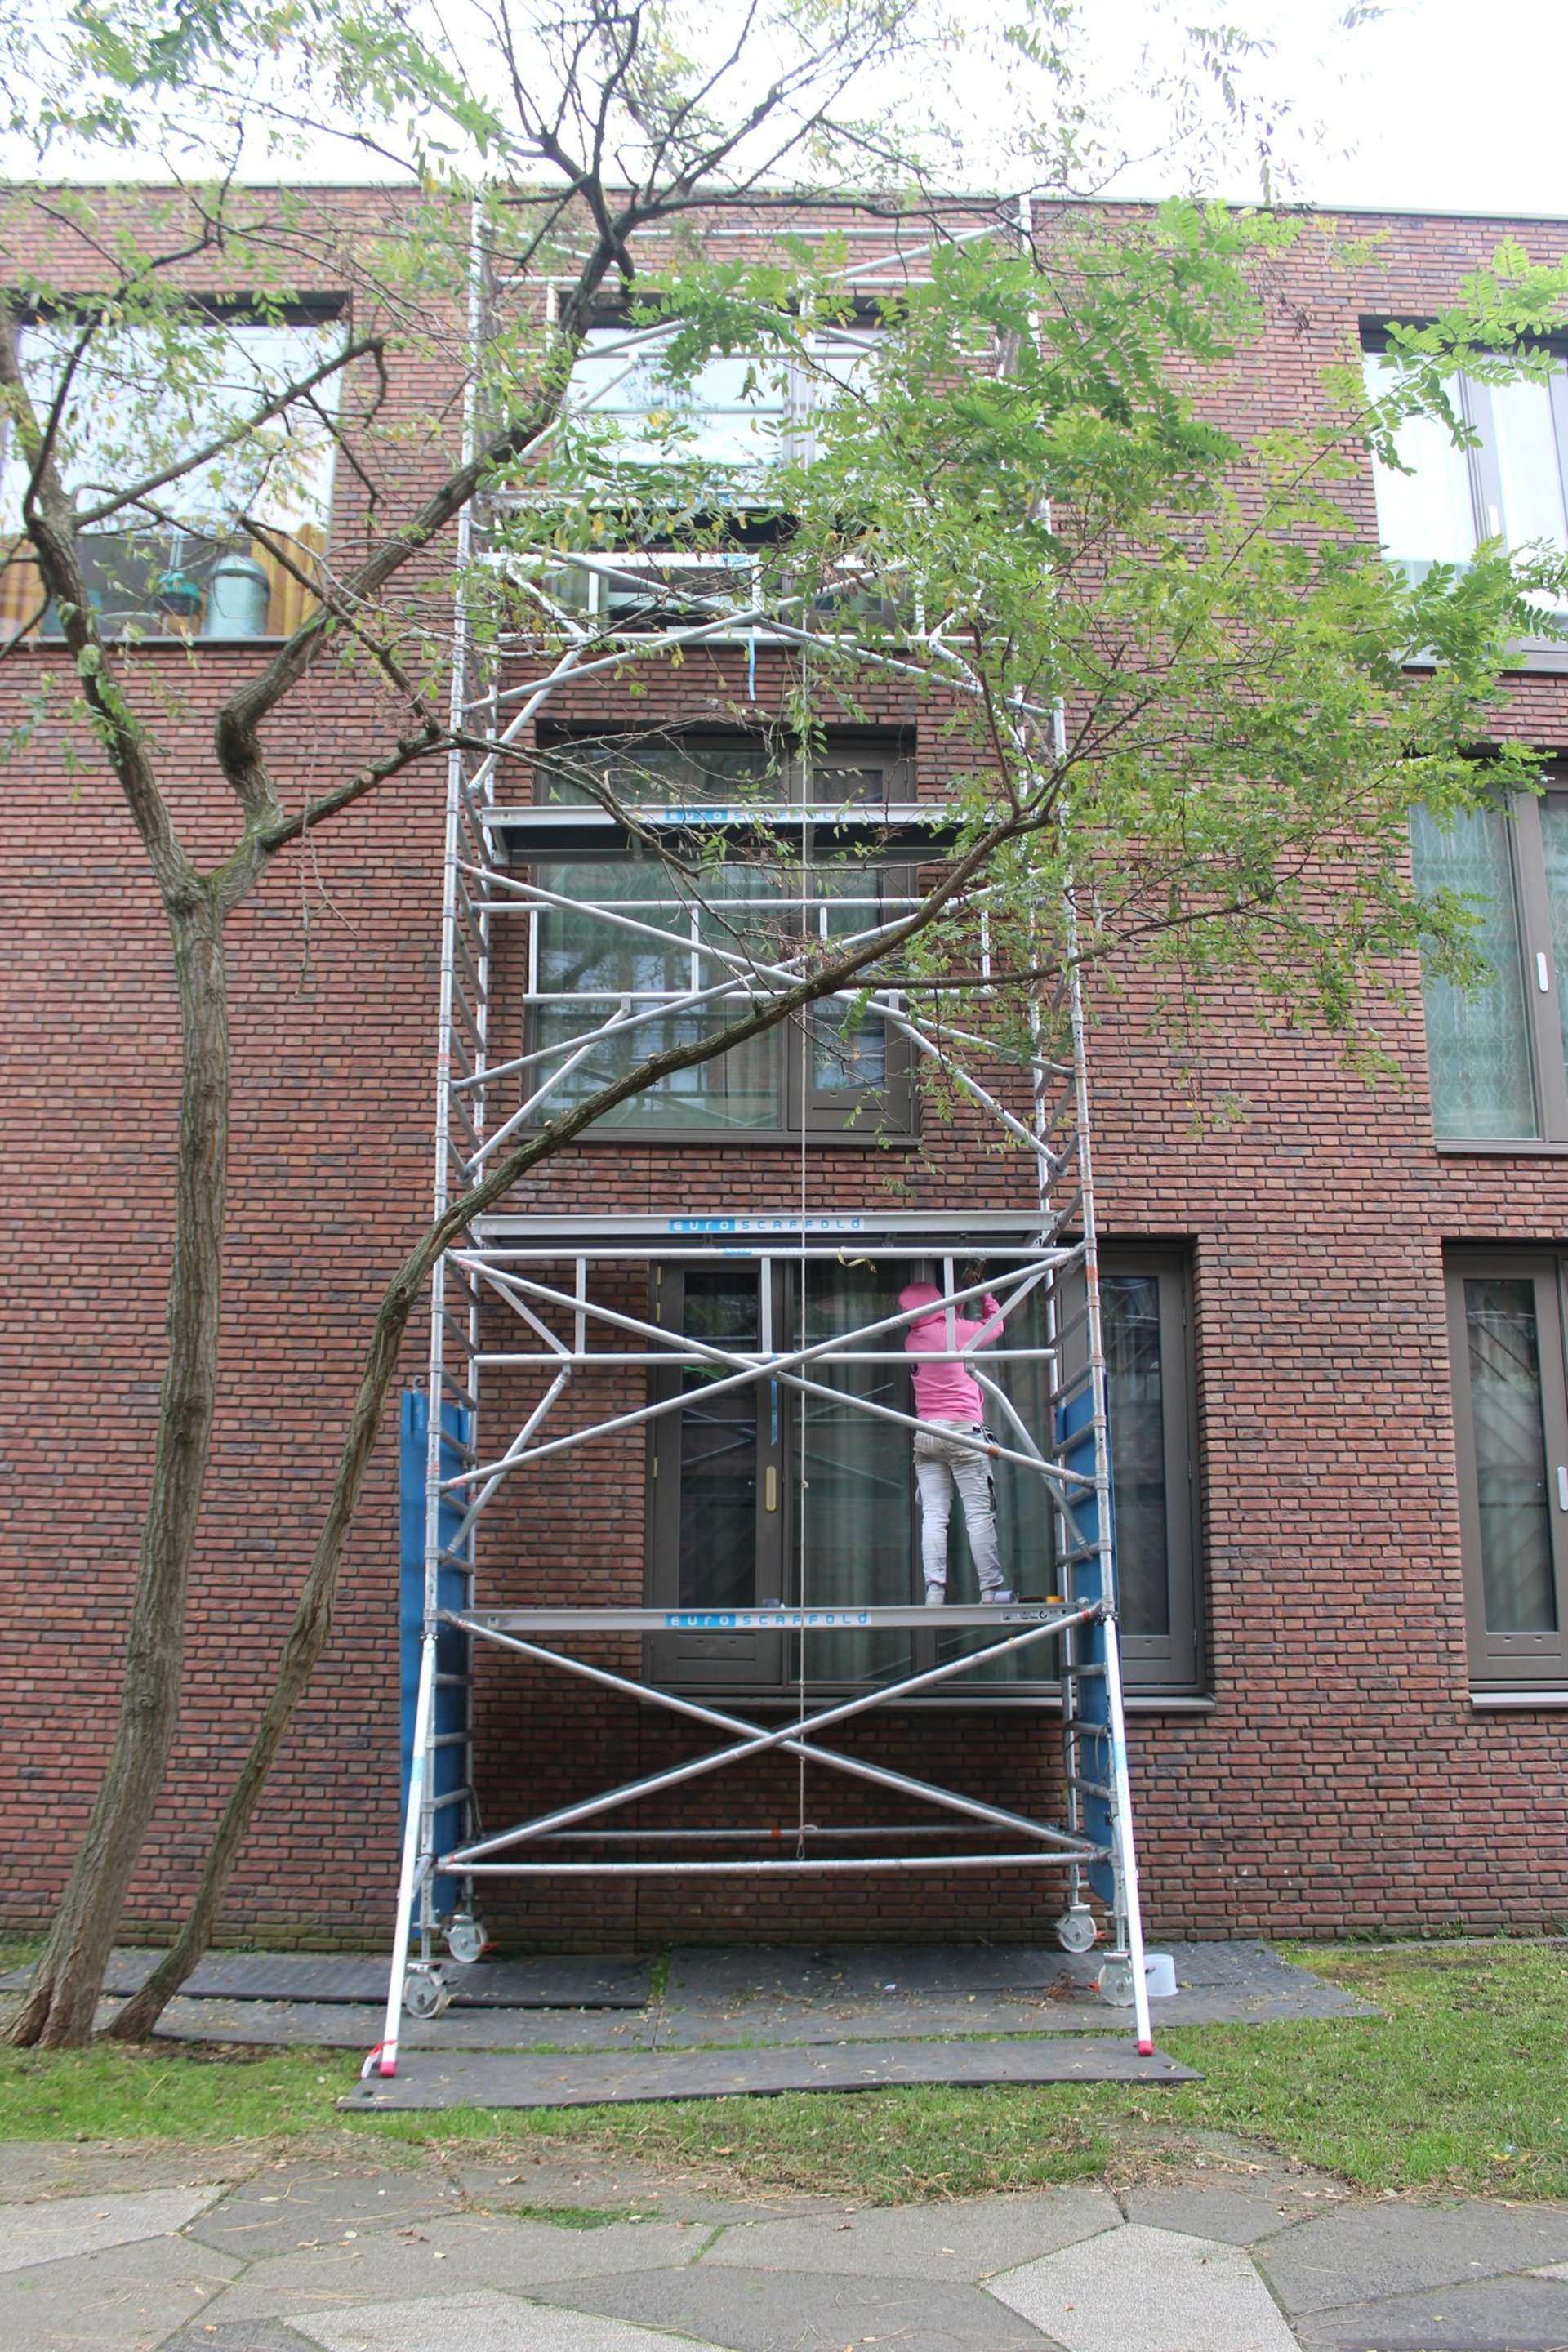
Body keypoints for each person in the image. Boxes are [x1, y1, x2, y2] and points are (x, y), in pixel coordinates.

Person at [899, 1276, 1013, 1605]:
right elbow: (994, 1329)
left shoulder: (913, 1338)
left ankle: (934, 1591)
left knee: (934, 1515)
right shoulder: (955, 1332)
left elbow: (943, 1327)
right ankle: (990, 1591)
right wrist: (985, 1293)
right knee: (978, 1514)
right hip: (964, 1432)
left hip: (928, 1435)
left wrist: (959, 1300)